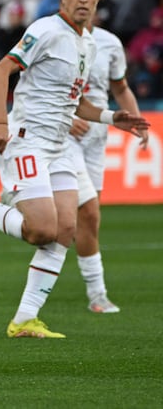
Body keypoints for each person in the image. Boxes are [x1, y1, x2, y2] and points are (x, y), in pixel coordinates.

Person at [0, 0, 149, 338]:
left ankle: (24, 320)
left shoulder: (88, 42)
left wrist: (113, 118)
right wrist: (1, 122)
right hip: (28, 139)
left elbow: (75, 104)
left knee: (65, 229)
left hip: (61, 146)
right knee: (41, 230)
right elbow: (0, 71)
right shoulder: (45, 30)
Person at [70, 19, 149, 313]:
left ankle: (17, 202)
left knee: (85, 220)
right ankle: (98, 294)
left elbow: (121, 88)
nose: (84, 0)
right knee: (85, 213)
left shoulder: (110, 43)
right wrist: (64, 118)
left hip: (96, 139)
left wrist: (136, 119)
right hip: (63, 137)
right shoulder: (50, 35)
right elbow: (34, 89)